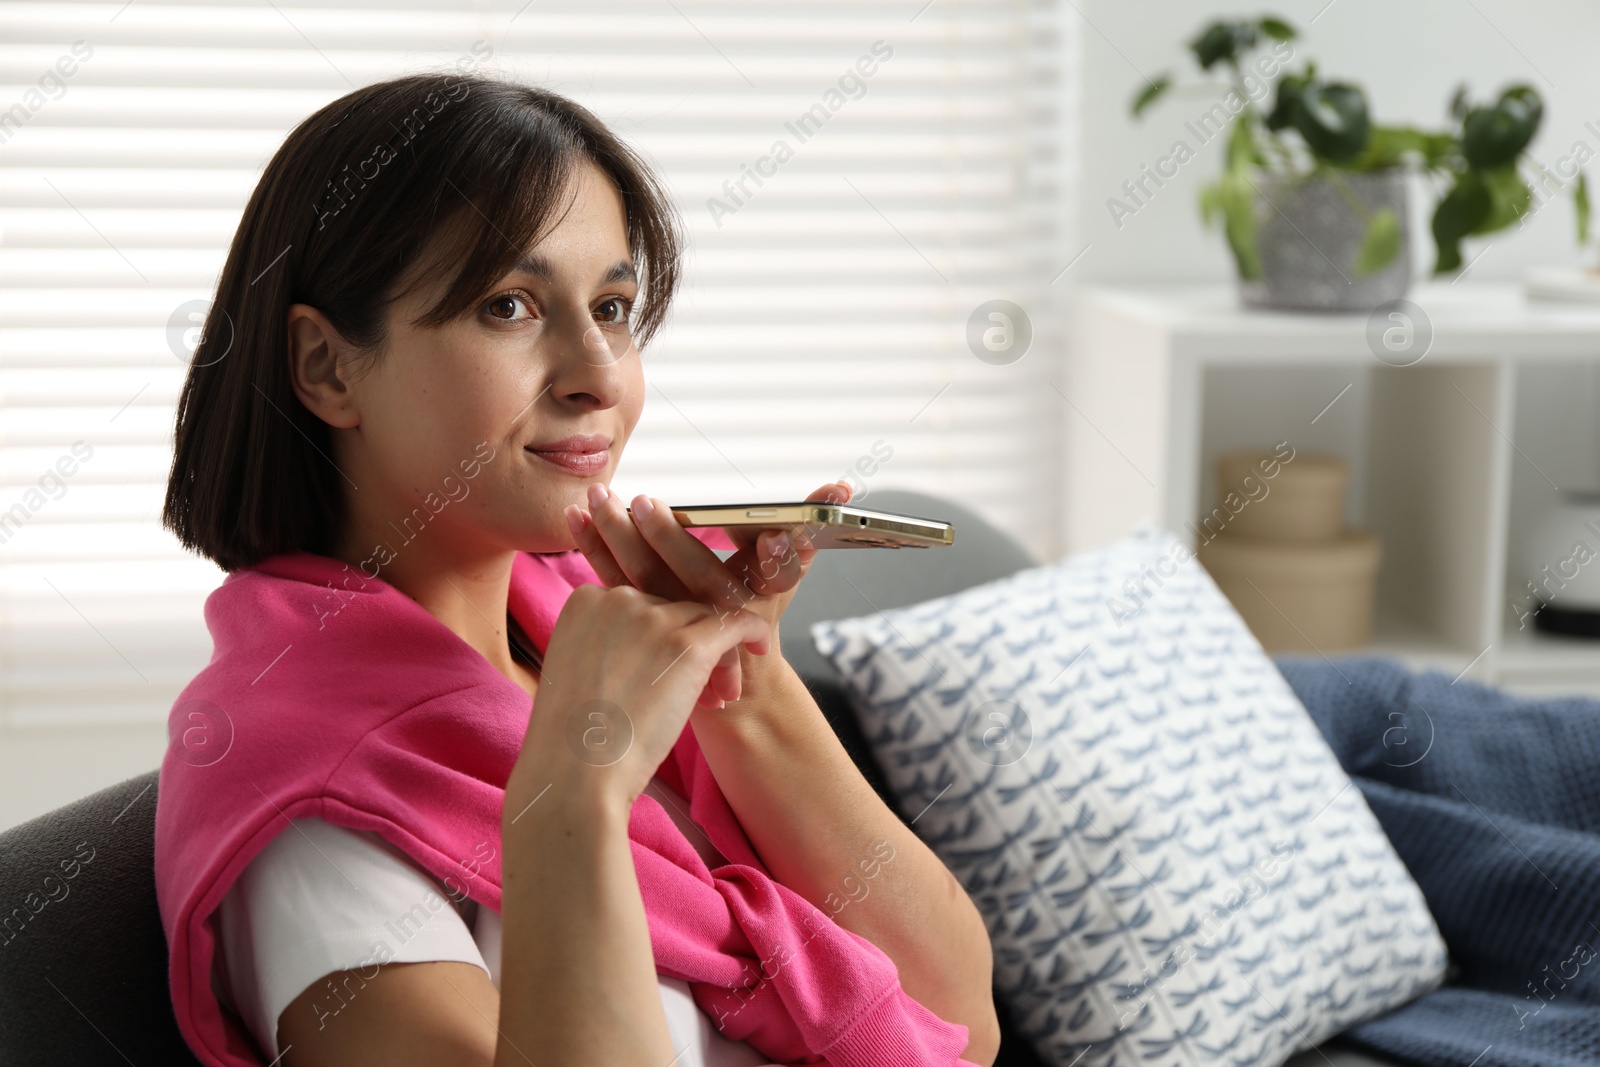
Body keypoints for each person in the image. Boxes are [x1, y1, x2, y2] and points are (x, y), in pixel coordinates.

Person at [153, 70, 999, 1067]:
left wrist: (747, 685)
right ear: (330, 368)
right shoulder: (314, 805)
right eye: (508, 305)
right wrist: (573, 788)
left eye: (613, 304)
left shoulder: (588, 626)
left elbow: (959, 1013)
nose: (599, 374)